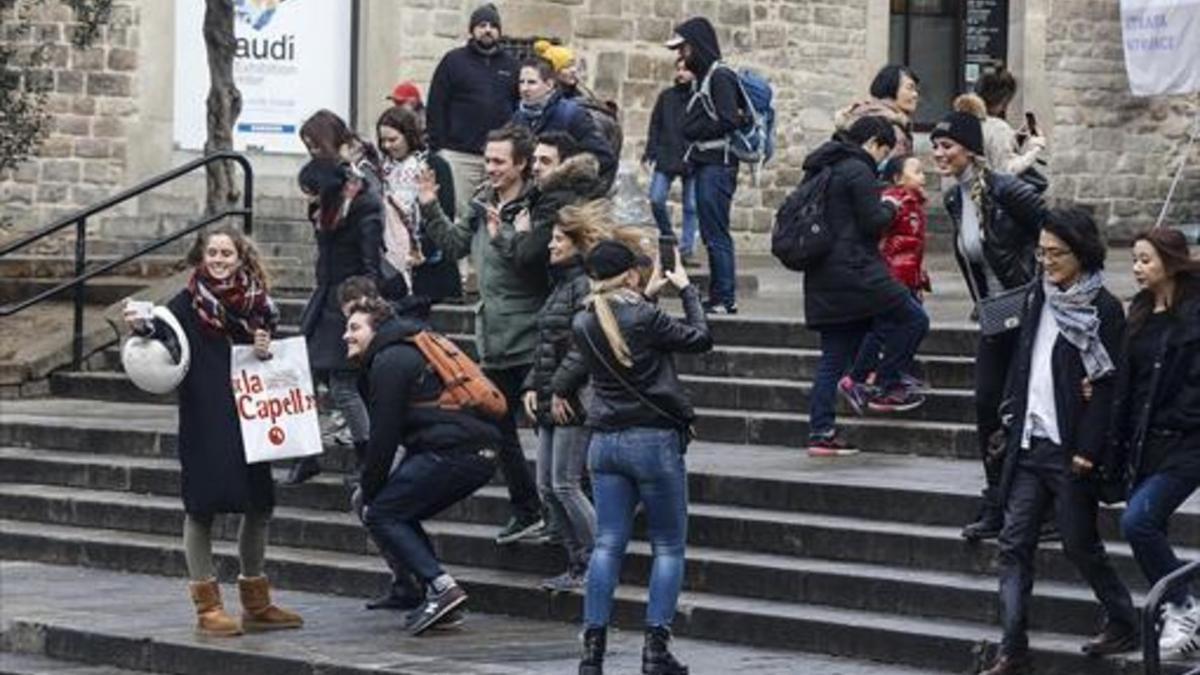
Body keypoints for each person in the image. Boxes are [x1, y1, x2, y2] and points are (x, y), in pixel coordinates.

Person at [978, 208, 1137, 675]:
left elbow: (1109, 385)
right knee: (1013, 543)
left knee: (1078, 542)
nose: (1046, 261)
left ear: (1081, 253)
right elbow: (1024, 360)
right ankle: (1012, 647)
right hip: (1030, 442)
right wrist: (1010, 416)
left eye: (1055, 253)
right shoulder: (1036, 297)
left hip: (1072, 449)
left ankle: (1124, 617)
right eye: (1041, 252)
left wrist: (1089, 449)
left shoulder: (1103, 308)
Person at [122, 225, 301, 637]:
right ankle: (208, 608)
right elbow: (159, 333)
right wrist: (140, 326)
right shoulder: (184, 303)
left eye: (227, 254)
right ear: (202, 257)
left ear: (241, 258)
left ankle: (257, 603)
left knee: (259, 503)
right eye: (213, 253)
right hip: (205, 414)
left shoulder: (259, 304)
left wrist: (263, 346)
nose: (219, 260)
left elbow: (272, 352)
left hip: (251, 413)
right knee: (201, 505)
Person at [573, 240, 713, 675]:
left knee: (607, 544)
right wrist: (687, 290)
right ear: (630, 274)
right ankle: (656, 649)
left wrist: (647, 293)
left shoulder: (583, 319)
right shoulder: (644, 317)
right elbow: (700, 338)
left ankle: (591, 651)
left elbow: (622, 330)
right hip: (651, 442)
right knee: (668, 546)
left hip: (603, 442)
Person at [416, 123, 546, 544]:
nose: (489, 168)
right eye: (487, 159)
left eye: (498, 161)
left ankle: (562, 512)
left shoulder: (536, 207)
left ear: (521, 164)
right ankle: (527, 507)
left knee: (548, 431)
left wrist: (506, 234)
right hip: (492, 335)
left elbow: (535, 265)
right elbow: (453, 246)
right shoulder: (480, 203)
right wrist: (430, 206)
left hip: (530, 334)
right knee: (497, 428)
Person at [344, 297, 502, 636]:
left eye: (355, 328)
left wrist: (370, 491)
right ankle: (436, 593)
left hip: (453, 450)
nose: (346, 335)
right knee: (398, 510)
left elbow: (383, 436)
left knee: (384, 513)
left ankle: (442, 587)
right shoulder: (406, 349)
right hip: (470, 448)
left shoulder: (390, 360)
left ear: (377, 329)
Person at [931, 110, 1048, 541]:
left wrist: (1044, 279)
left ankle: (1037, 506)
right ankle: (997, 501)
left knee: (1022, 408)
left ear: (970, 150)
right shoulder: (953, 199)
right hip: (995, 313)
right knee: (986, 404)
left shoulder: (1004, 188)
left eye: (947, 146)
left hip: (1030, 309)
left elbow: (1052, 228)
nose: (939, 154)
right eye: (936, 148)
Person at [801, 116, 929, 457]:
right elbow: (872, 222)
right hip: (857, 273)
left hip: (824, 276)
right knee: (914, 318)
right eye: (884, 151)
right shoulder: (858, 169)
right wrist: (889, 205)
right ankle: (887, 384)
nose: (883, 160)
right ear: (874, 142)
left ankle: (821, 432)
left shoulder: (823, 166)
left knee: (832, 359)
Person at [1114, 228, 1200, 658]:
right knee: (1148, 524)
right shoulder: (1142, 311)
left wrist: (1183, 415)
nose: (1136, 268)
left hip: (1187, 444)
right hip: (1145, 443)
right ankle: (1176, 606)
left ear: (1169, 260)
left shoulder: (1196, 312)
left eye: (1146, 260)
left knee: (1138, 521)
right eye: (1134, 259)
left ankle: (1185, 604)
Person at [521, 200, 606, 592]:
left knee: (566, 484)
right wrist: (530, 386)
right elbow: (546, 342)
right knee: (547, 487)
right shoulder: (561, 285)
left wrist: (558, 388)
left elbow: (580, 345)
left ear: (576, 243)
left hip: (571, 397)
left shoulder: (583, 286)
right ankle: (576, 563)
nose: (551, 246)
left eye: (558, 240)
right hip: (551, 394)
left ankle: (596, 563)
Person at [285, 158, 383, 486]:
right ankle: (307, 455)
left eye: (312, 193)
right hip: (323, 301)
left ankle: (367, 459)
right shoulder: (327, 212)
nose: (309, 200)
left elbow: (371, 267)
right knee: (305, 379)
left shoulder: (363, 209)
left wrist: (360, 312)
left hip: (347, 305)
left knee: (344, 385)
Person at [669, 16, 742, 314]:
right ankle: (719, 294)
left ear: (696, 45)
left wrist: (694, 129)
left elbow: (729, 120)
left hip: (718, 165)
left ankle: (725, 297)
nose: (680, 56)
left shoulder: (719, 76)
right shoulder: (706, 77)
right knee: (712, 231)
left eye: (683, 48)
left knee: (716, 232)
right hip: (707, 163)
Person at [844, 153, 931, 393]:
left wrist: (918, 279)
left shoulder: (913, 203)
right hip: (891, 279)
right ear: (897, 178)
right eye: (917, 172)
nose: (923, 177)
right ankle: (875, 377)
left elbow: (913, 248)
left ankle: (876, 375)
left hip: (906, 278)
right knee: (897, 326)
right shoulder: (893, 202)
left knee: (892, 327)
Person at [426, 2, 519, 222]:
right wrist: (440, 147)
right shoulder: (453, 61)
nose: (488, 30)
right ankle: (463, 259)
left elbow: (518, 107)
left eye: (493, 26)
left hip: (499, 157)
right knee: (461, 217)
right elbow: (436, 105)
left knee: (496, 217)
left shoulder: (512, 65)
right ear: (472, 30)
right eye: (482, 25)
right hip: (460, 156)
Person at [376, 105, 462, 303]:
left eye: (393, 139)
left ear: (409, 136)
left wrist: (421, 249)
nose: (387, 146)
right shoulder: (381, 170)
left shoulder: (435, 165)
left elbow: (444, 213)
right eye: (383, 140)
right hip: (391, 263)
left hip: (431, 265)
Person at [511, 57, 616, 185]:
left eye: (532, 82)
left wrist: (568, 179)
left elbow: (603, 158)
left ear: (549, 84)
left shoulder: (572, 114)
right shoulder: (518, 117)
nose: (524, 89)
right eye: (521, 82)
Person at [645, 58, 699, 267]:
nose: (681, 73)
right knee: (656, 198)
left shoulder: (699, 97)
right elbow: (655, 124)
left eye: (686, 69)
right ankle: (669, 238)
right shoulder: (666, 97)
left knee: (692, 206)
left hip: (692, 157)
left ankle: (686, 250)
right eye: (678, 69)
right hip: (667, 155)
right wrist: (652, 150)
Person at [971, 70, 1047, 177]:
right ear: (1004, 99)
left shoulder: (965, 120)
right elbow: (1008, 170)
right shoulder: (998, 128)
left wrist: (1016, 139)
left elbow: (990, 151)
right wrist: (1036, 147)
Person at [834, 64, 920, 156]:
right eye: (909, 88)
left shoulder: (858, 115)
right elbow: (893, 167)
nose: (915, 95)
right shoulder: (890, 128)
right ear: (891, 87)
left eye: (916, 90)